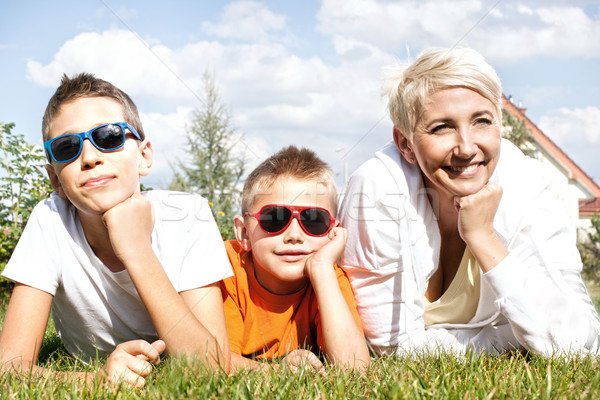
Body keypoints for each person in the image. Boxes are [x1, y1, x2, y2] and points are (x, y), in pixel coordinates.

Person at [338, 47, 600, 356]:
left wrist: (483, 238)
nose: (466, 148)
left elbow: (579, 341)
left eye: (482, 121)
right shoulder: (376, 188)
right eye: (442, 127)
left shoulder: (529, 184)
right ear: (405, 144)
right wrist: (510, 341)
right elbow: (391, 345)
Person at [0, 73, 232, 386]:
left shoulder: (189, 214)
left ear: (144, 156)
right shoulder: (49, 220)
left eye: (109, 137)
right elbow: (9, 367)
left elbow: (212, 369)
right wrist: (94, 379)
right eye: (67, 147)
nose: (90, 157)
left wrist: (136, 250)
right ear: (55, 180)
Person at [220, 146, 369, 370]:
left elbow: (354, 368)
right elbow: (213, 360)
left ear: (332, 232)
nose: (294, 235)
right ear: (243, 233)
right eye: (275, 218)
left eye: (314, 220)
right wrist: (278, 371)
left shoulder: (328, 276)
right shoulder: (226, 269)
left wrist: (322, 270)